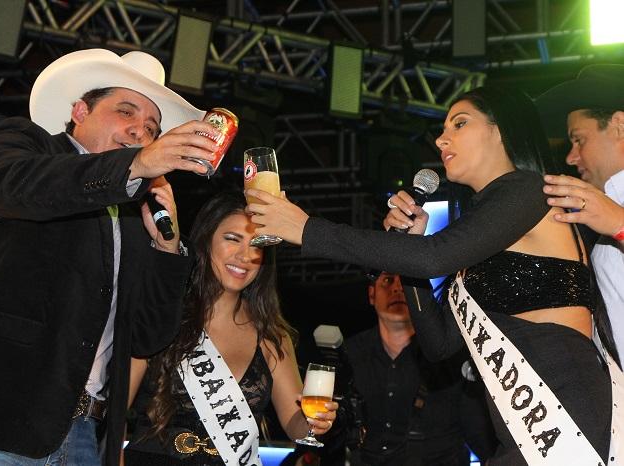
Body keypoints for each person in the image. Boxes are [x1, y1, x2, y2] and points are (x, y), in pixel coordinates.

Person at [244, 86, 622, 465]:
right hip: (520, 421)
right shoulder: (488, 231)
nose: (442, 138)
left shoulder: (525, 189)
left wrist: (306, 228)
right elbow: (439, 341)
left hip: (559, 413)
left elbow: (433, 258)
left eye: (460, 123)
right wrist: (414, 245)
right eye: (443, 129)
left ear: (500, 129)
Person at [0, 48, 221, 466]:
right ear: (80, 110)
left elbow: (147, 337)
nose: (140, 131)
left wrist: (167, 249)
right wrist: (133, 167)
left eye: (152, 128)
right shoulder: (27, 146)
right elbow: (12, 187)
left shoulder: (136, 217)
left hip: (83, 436)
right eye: (125, 112)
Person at [122, 191, 338, 466]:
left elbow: (296, 425)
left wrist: (315, 424)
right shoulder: (162, 312)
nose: (245, 256)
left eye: (256, 245)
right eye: (232, 239)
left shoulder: (271, 336)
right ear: (206, 241)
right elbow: (117, 410)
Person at [340, 271, 494, 466]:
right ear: (371, 295)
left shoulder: (452, 358)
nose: (396, 288)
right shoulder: (349, 354)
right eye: (387, 281)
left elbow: (480, 436)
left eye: (405, 281)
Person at [534, 64, 624, 354]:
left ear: (619, 126)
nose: (571, 157)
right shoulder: (599, 232)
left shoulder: (612, 221)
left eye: (578, 140)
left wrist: (619, 225)